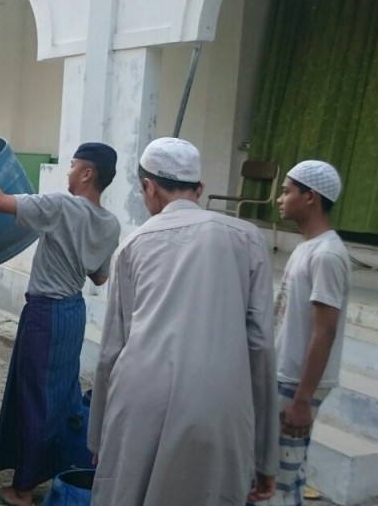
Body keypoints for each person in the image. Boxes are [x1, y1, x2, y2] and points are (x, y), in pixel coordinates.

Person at [88, 137, 279, 506]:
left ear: (149, 187)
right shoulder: (247, 239)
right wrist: (266, 456)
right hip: (221, 404)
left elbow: (112, 349)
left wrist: (98, 437)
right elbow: (261, 347)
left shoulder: (133, 245)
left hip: (141, 399)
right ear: (200, 189)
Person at [0, 143, 122, 506]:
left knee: (35, 398)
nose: (68, 172)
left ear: (87, 173)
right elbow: (99, 276)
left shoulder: (61, 206)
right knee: (60, 396)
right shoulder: (110, 223)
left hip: (46, 314)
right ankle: (54, 468)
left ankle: (21, 490)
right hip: (73, 313)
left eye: (73, 165)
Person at [253, 161, 348, 506]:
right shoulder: (306, 247)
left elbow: (325, 331)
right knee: (276, 471)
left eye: (287, 191)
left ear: (310, 197)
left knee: (279, 479)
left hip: (296, 382)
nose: (280, 199)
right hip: (284, 374)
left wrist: (302, 400)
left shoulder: (327, 255)